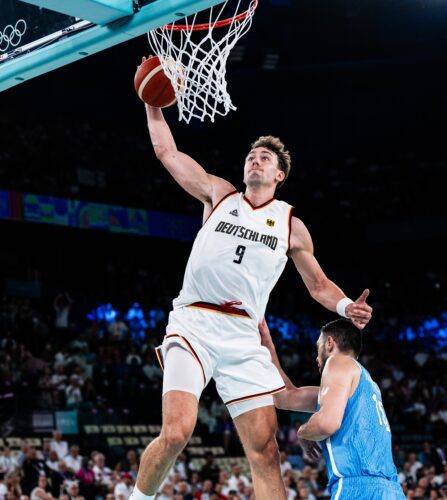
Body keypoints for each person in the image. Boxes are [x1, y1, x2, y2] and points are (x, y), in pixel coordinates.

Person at [130, 96, 373, 500]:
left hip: (244, 337)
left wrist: (347, 306)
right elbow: (167, 152)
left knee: (266, 452)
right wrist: (152, 105)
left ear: (279, 174)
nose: (255, 161)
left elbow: (317, 284)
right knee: (177, 432)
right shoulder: (219, 195)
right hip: (194, 323)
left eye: (264, 158)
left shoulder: (291, 225)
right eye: (251, 157)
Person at [260, 317, 405, 499]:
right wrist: (267, 347)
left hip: (359, 488)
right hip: (392, 491)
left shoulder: (337, 361)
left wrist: (303, 433)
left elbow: (326, 424)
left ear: (329, 343)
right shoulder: (365, 384)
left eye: (317, 347)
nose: (316, 357)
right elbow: (285, 398)